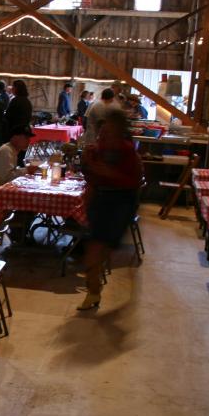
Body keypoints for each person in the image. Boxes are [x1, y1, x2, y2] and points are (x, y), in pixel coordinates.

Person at [77, 109, 143, 310]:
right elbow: (91, 176)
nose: (102, 137)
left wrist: (97, 167)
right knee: (95, 249)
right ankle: (93, 292)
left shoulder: (126, 151)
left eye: (107, 133)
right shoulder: (102, 149)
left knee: (97, 249)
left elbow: (130, 180)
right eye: (101, 134)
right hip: (101, 200)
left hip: (120, 203)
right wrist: (87, 163)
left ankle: (94, 291)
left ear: (118, 131)